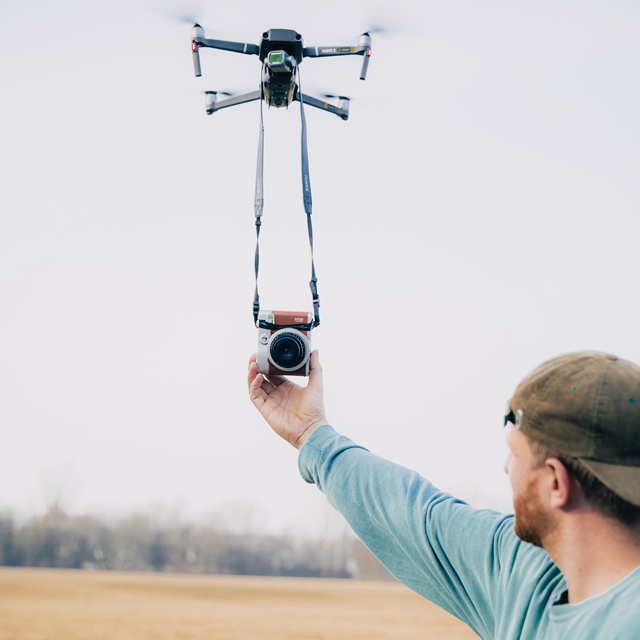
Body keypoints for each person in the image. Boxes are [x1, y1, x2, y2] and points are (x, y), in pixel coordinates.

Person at [247, 350, 640, 639]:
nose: (506, 468)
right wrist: (312, 435)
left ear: (556, 483)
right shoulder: (524, 570)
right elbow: (414, 514)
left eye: (515, 453)